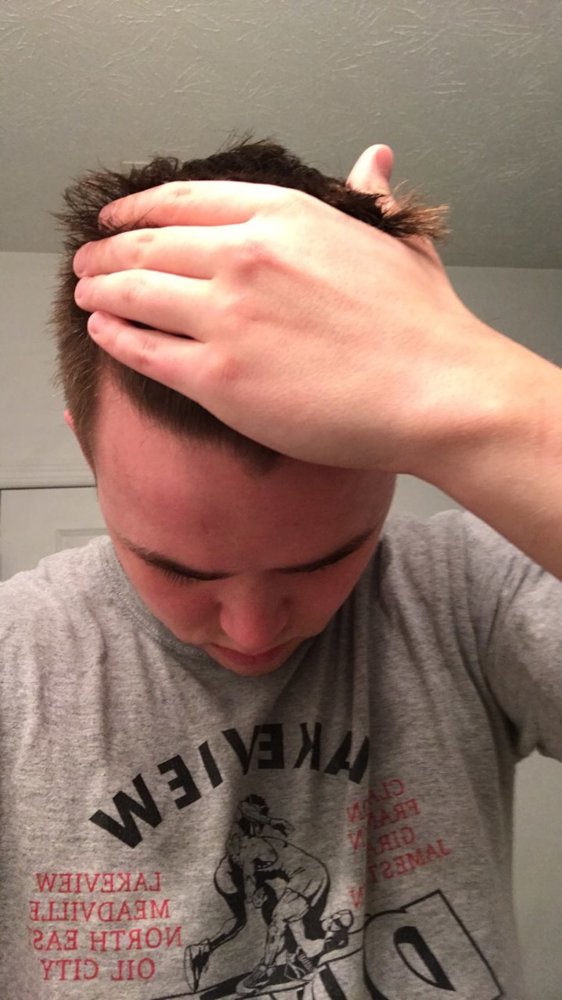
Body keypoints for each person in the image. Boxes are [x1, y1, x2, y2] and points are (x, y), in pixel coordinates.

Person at [0, 137, 559, 1000]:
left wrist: (484, 389)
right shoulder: (14, 664)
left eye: (329, 560)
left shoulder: (472, 594)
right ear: (87, 451)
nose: (255, 631)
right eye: (181, 571)